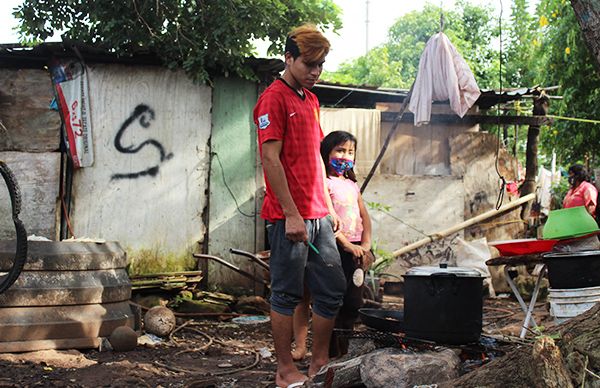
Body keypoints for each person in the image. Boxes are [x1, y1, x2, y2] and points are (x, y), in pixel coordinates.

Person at [253, 24, 347, 388]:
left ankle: (319, 358)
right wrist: (291, 213)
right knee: (287, 293)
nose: (316, 71)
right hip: (287, 216)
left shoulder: (311, 100)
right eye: (309, 64)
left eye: (320, 65)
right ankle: (284, 368)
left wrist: (329, 207)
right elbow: (270, 159)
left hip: (319, 215)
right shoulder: (273, 99)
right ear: (288, 58)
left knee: (332, 287)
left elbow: (314, 158)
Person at [292, 130, 374, 360]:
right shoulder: (323, 184)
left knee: (353, 302)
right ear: (325, 154)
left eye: (350, 152)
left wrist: (365, 244)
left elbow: (364, 215)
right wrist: (347, 244)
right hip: (333, 247)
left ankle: (342, 349)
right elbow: (328, 220)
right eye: (339, 150)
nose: (345, 156)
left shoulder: (351, 184)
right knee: (326, 299)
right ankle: (320, 350)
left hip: (357, 249)